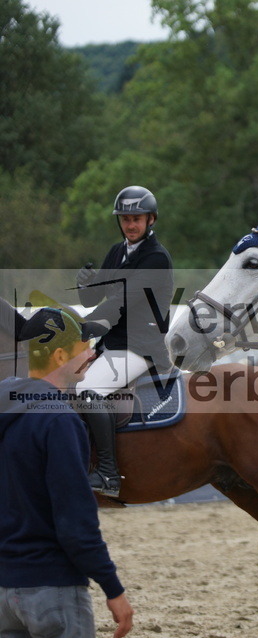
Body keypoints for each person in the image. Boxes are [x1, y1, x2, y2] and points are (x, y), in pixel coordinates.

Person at [1, 307, 134, 638]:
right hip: (52, 590)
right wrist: (113, 588)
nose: (91, 354)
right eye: (84, 348)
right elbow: (76, 524)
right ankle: (107, 469)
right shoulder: (59, 419)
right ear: (60, 356)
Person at [75, 185, 174, 496]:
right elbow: (94, 297)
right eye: (125, 219)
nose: (131, 225)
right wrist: (84, 284)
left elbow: (123, 301)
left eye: (137, 219)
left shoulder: (156, 258)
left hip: (140, 345)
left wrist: (91, 325)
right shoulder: (117, 252)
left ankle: (108, 474)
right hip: (115, 343)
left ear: (150, 220)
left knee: (86, 390)